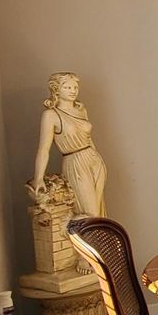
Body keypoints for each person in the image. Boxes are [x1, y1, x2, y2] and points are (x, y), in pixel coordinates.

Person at [31, 72, 107, 216]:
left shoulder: (81, 110)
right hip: (75, 163)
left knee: (99, 210)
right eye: (67, 87)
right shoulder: (51, 115)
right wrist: (39, 178)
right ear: (56, 89)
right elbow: (43, 150)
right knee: (90, 213)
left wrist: (98, 160)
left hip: (94, 160)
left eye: (75, 87)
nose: (73, 91)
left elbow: (88, 138)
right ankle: (86, 238)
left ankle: (99, 238)